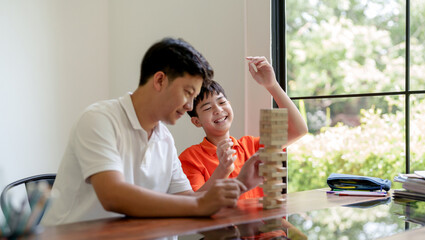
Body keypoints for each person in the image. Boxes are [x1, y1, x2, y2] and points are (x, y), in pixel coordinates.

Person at [41, 38, 263, 226]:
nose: (189, 106)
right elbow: (112, 195)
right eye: (187, 93)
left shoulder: (164, 138)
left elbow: (188, 198)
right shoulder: (99, 120)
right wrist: (199, 204)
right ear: (159, 80)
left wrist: (241, 183)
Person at [179, 56, 308, 199]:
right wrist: (223, 170)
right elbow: (194, 203)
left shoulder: (251, 146)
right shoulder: (190, 158)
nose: (218, 110)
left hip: (263, 220)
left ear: (230, 105)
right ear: (197, 121)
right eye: (208, 108)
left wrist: (272, 85)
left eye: (221, 102)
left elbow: (299, 130)